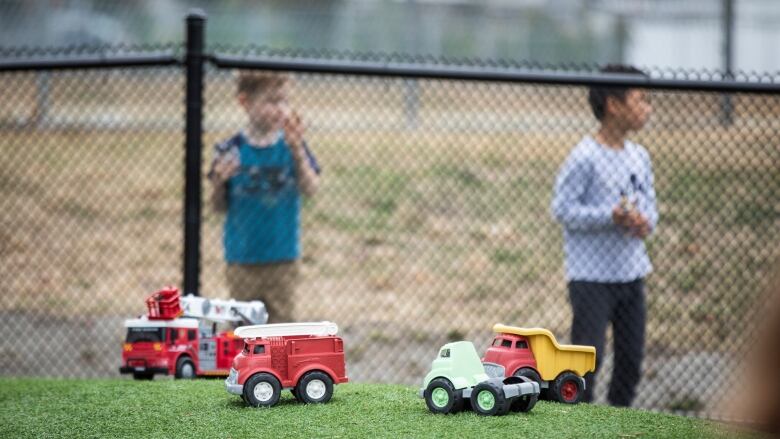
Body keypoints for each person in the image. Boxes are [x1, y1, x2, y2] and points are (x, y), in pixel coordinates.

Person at [551, 64, 657, 407]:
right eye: (641, 99)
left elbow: (650, 207)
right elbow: (563, 210)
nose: (648, 107)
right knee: (586, 363)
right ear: (613, 104)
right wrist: (608, 216)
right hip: (591, 279)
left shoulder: (639, 157)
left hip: (631, 274)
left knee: (630, 362)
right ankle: (580, 423)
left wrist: (645, 223)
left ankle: (619, 424)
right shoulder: (585, 157)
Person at [208, 70, 320, 323]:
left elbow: (311, 188)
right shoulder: (230, 150)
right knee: (243, 333)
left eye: (285, 101)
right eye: (271, 101)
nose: (281, 109)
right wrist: (218, 182)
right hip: (241, 260)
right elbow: (217, 207)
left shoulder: (291, 145)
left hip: (283, 259)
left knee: (281, 332)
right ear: (245, 102)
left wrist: (298, 151)